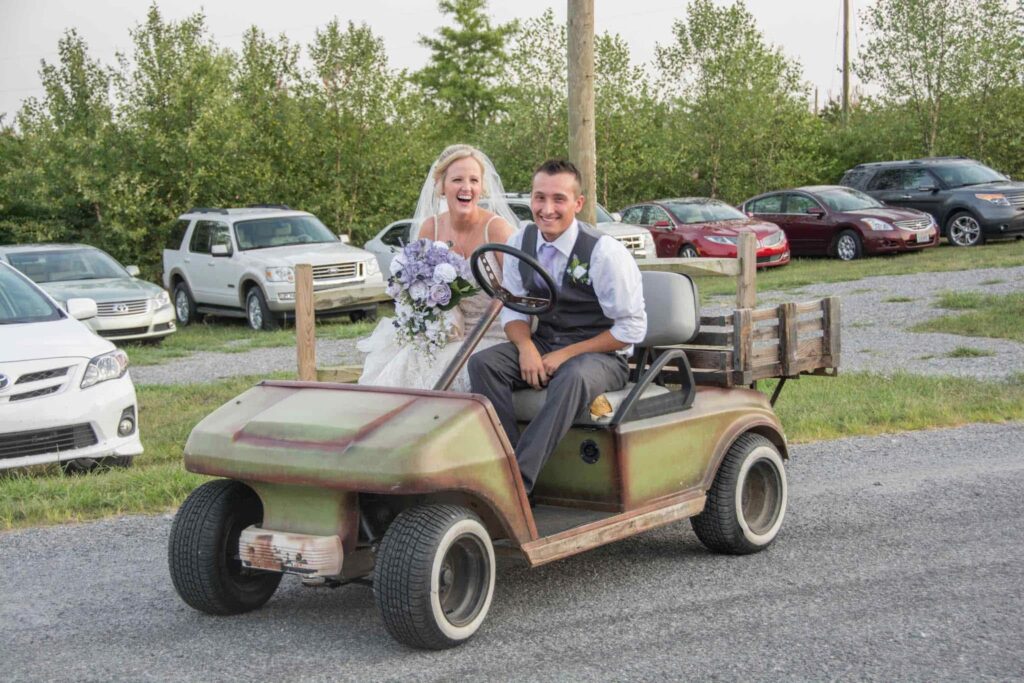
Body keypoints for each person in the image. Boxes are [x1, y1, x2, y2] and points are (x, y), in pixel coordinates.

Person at [468, 159, 647, 494]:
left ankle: (517, 485)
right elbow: (513, 309)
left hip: (602, 355)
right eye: (539, 198)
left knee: (572, 375)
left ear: (578, 204)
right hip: (545, 343)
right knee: (483, 364)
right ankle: (502, 462)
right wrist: (526, 348)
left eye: (558, 199)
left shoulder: (604, 253)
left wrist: (566, 354)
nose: (546, 209)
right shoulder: (522, 240)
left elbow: (631, 329)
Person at [358, 144, 517, 391]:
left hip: (492, 334)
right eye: (457, 179)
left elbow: (520, 291)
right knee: (406, 362)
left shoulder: (496, 229)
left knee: (442, 369)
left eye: (474, 180)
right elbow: (414, 290)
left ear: (482, 187)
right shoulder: (429, 229)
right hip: (444, 335)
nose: (467, 187)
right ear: (441, 185)